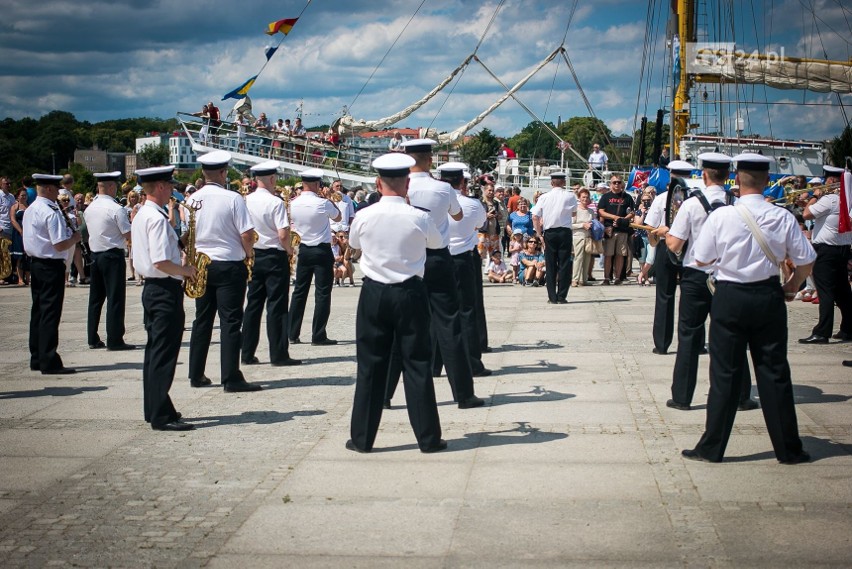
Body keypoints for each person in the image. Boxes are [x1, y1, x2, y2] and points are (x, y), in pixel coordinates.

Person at [682, 153, 815, 464]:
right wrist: (793, 286)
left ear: (737, 181)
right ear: (767, 181)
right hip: (768, 295)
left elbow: (700, 259)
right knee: (774, 372)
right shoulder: (782, 216)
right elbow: (807, 260)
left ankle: (711, 447)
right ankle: (789, 449)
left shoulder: (721, 216)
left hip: (730, 295)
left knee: (724, 373)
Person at [346, 152, 446, 453]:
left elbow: (354, 245)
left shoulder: (363, 215)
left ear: (378, 183)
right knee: (417, 364)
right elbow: (438, 244)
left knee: (370, 366)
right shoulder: (419, 216)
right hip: (410, 293)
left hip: (374, 293)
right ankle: (428, 439)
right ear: (407, 184)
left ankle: (363, 438)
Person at [386, 142, 485, 405]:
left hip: (407, 258)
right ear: (429, 159)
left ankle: (385, 394)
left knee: (401, 327)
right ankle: (463, 393)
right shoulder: (442, 188)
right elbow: (458, 214)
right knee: (449, 325)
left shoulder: (401, 187)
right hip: (438, 258)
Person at [664, 153, 756, 412]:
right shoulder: (737, 204)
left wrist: (669, 235)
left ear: (704, 175)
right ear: (728, 176)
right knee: (733, 336)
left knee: (690, 337)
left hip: (695, 276)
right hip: (727, 277)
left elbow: (675, 243)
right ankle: (740, 396)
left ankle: (682, 397)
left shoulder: (691, 205)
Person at [187, 150, 261, 392]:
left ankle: (196, 373)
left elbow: (187, 236)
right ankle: (230, 377)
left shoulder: (192, 199)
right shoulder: (233, 198)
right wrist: (248, 253)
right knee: (230, 322)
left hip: (200, 264)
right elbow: (247, 234)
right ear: (222, 172)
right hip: (229, 263)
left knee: (202, 320)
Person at [132, 165, 197, 431]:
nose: (172, 190)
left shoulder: (144, 214)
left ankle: (157, 407)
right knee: (163, 355)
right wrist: (186, 271)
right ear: (159, 187)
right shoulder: (157, 219)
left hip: (154, 289)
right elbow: (160, 261)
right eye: (169, 185)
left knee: (155, 353)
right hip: (163, 290)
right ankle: (160, 414)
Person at [241, 161, 302, 368]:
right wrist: (289, 250)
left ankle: (247, 352)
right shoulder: (275, 202)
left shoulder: (245, 200)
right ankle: (278, 354)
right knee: (276, 306)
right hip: (274, 256)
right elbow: (283, 234)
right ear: (272, 179)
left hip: (254, 254)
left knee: (253, 304)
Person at [24, 174, 81, 375]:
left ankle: (37, 357)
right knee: (50, 313)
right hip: (50, 265)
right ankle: (49, 359)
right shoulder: (50, 211)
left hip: (37, 264)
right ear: (48, 189)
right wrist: (74, 238)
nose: (59, 192)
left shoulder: (31, 209)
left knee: (38, 311)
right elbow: (58, 244)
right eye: (56, 188)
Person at [441, 162, 491, 380]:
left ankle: (435, 364)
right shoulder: (472, 204)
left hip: (439, 257)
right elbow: (480, 224)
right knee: (467, 310)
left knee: (438, 311)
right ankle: (472, 363)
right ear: (462, 182)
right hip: (463, 258)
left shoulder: (435, 203)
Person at [799, 164, 852, 344]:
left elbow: (806, 214)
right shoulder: (847, 199)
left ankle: (822, 332)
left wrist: (814, 196)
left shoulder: (829, 199)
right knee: (843, 292)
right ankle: (848, 329)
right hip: (842, 249)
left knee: (826, 291)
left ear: (830, 180)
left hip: (826, 251)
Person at [288, 168, 342, 345]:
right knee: (323, 293)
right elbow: (338, 216)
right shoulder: (322, 203)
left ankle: (292, 332)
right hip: (321, 249)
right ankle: (318, 334)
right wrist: (328, 198)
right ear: (317, 184)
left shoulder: (293, 203)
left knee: (299, 292)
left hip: (303, 249)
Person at [84, 171, 135, 351]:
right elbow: (128, 234)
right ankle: (115, 339)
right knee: (115, 298)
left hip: (95, 255)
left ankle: (92, 336)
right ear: (112, 187)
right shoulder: (116, 209)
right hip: (112, 256)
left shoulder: (90, 208)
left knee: (95, 299)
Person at [646, 160, 693, 354]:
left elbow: (650, 227)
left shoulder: (661, 199)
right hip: (691, 248)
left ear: (671, 176)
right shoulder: (697, 199)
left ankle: (662, 343)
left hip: (667, 245)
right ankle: (694, 342)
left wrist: (656, 237)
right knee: (691, 296)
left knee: (665, 295)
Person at [531, 172, 577, 303]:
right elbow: (574, 213)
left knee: (550, 265)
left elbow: (535, 216)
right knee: (564, 264)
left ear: (551, 183)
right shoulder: (570, 196)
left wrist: (539, 234)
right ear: (563, 182)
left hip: (550, 232)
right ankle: (562, 296)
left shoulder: (544, 197)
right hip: (564, 232)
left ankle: (552, 296)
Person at [597, 175, 635, 285]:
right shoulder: (605, 197)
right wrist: (614, 217)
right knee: (608, 255)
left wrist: (623, 219)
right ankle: (607, 278)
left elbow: (632, 213)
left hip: (622, 230)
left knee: (620, 255)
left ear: (622, 184)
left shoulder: (627, 197)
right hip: (610, 230)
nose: (617, 184)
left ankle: (618, 278)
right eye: (614, 182)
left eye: (619, 182)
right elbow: (601, 211)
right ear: (610, 184)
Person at [571, 187, 594, 287]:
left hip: (588, 237)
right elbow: (571, 225)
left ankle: (583, 279)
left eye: (587, 197)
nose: (585, 199)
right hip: (578, 236)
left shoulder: (591, 211)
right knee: (578, 258)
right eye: (583, 197)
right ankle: (575, 279)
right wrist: (582, 225)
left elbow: (594, 223)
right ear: (579, 198)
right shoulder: (575, 210)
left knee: (587, 259)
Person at [9, 188, 30, 286]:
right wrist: (21, 231)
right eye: (22, 195)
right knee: (20, 256)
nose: (24, 197)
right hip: (19, 233)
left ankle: (28, 278)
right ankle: (20, 279)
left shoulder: (29, 206)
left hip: (29, 233)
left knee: (28, 256)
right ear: (18, 196)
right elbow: (13, 220)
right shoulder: (15, 207)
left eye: (25, 195)